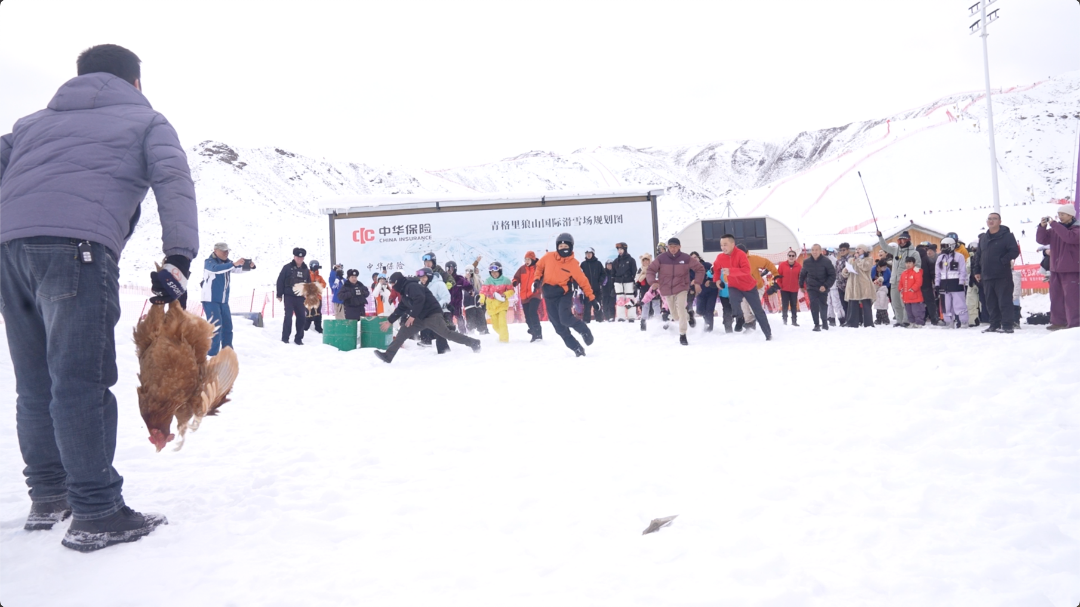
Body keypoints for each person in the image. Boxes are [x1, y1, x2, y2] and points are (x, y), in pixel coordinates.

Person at [0, 44, 196, 550]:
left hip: (8, 252)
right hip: (77, 251)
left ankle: (49, 497)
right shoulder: (147, 121)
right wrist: (178, 258)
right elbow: (173, 181)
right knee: (78, 381)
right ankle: (97, 511)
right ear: (135, 82)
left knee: (35, 383)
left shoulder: (29, 125)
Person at [374, 272, 481, 363]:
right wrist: (389, 321)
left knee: (447, 334)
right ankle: (388, 356)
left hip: (432, 315)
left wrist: (412, 316)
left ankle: (473, 343)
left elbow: (420, 299)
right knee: (403, 331)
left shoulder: (412, 286)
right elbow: (401, 308)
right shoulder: (404, 291)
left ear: (398, 282)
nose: (393, 286)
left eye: (393, 284)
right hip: (420, 317)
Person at [533, 233, 596, 356]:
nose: (563, 248)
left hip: (563, 295)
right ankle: (577, 348)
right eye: (560, 246)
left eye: (566, 246)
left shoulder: (573, 264)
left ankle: (584, 330)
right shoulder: (548, 257)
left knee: (565, 319)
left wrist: (592, 298)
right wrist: (536, 280)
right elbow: (539, 267)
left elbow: (583, 281)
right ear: (557, 247)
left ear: (571, 247)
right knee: (559, 327)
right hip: (548, 295)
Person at [645, 237, 704, 345]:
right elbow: (650, 270)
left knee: (681, 309)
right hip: (667, 289)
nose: (673, 249)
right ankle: (688, 316)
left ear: (680, 247)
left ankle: (683, 335)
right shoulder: (661, 258)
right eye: (671, 247)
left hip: (682, 287)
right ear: (668, 247)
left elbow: (700, 269)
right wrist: (652, 281)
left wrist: (697, 282)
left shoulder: (685, 258)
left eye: (675, 247)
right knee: (675, 316)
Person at [200, 242, 255, 356]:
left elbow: (236, 269)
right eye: (223, 251)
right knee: (215, 327)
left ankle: (227, 351)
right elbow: (216, 269)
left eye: (227, 251)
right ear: (215, 251)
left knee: (227, 327)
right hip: (211, 300)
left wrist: (249, 267)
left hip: (223, 301)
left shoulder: (227, 263)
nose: (226, 253)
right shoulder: (209, 262)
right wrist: (233, 264)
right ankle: (212, 354)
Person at [713, 235, 772, 340]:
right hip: (734, 286)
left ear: (732, 244)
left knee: (757, 311)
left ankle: (768, 333)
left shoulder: (741, 255)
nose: (723, 247)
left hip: (749, 286)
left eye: (725, 245)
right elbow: (716, 268)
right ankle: (739, 318)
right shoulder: (720, 257)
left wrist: (731, 271)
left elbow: (746, 270)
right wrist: (717, 280)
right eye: (721, 245)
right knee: (734, 302)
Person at [972, 213, 1020, 333]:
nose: (991, 221)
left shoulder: (1007, 236)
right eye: (989, 219)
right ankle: (994, 324)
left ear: (1000, 221)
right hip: (987, 275)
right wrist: (977, 270)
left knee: (1004, 301)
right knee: (990, 302)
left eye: (994, 219)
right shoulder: (983, 238)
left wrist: (1002, 261)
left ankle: (1007, 325)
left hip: (1002, 274)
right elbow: (978, 255)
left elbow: (1014, 251)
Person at [1036, 205, 1079, 329]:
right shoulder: (1055, 229)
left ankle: (1075, 324)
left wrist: (1054, 224)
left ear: (1071, 215)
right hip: (1055, 268)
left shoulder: (1077, 229)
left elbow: (1069, 237)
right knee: (1056, 297)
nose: (1060, 217)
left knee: (1072, 298)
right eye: (1059, 214)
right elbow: (1041, 240)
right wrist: (1042, 227)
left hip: (1072, 269)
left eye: (1063, 214)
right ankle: (1058, 322)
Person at [738, 244, 779, 332]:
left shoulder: (753, 259)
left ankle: (764, 323)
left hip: (756, 287)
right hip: (743, 289)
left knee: (753, 307)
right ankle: (750, 324)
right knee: (744, 306)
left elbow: (767, 263)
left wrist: (775, 274)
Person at [276, 247, 311, 344]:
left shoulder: (305, 270)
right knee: (288, 317)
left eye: (301, 257)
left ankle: (298, 339)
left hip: (300, 297)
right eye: (297, 257)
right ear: (294, 257)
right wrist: (279, 294)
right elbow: (280, 280)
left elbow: (309, 283)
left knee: (301, 318)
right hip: (289, 296)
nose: (299, 259)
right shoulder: (287, 267)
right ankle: (285, 338)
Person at [798, 244, 837, 332]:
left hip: (823, 286)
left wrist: (826, 286)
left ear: (820, 251)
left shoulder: (826, 261)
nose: (814, 252)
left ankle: (824, 323)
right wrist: (801, 285)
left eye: (816, 250)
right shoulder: (807, 262)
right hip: (811, 287)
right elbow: (802, 274)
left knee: (823, 304)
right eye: (813, 250)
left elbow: (832, 275)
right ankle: (816, 324)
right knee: (813, 304)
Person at [935, 237, 969, 328]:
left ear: (952, 246)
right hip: (944, 284)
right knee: (946, 305)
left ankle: (963, 321)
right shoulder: (940, 258)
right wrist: (937, 284)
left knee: (959, 304)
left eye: (945, 246)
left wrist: (961, 282)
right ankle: (948, 322)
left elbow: (962, 271)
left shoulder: (959, 256)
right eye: (942, 246)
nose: (943, 248)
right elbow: (937, 273)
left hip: (956, 284)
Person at [841, 244, 875, 328]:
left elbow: (865, 267)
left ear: (864, 250)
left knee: (866, 303)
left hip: (864, 284)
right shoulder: (851, 260)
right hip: (853, 284)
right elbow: (845, 274)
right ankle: (851, 322)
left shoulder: (869, 259)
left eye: (859, 248)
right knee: (852, 303)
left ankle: (868, 323)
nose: (857, 250)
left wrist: (858, 259)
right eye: (856, 249)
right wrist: (845, 271)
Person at [512, 252, 543, 341]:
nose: (527, 261)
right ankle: (533, 331)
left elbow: (543, 278)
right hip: (524, 296)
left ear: (533, 259)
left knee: (532, 312)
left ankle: (538, 334)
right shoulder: (522, 269)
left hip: (535, 294)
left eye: (528, 259)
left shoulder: (538, 268)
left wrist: (539, 284)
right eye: (525, 259)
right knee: (527, 316)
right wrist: (515, 282)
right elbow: (516, 277)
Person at [481, 261, 514, 342]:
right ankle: (503, 335)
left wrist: (505, 294)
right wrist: (481, 300)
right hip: (491, 306)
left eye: (496, 272)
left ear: (500, 271)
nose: (494, 274)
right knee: (495, 326)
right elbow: (483, 292)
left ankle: (504, 340)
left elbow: (512, 291)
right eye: (492, 272)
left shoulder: (506, 280)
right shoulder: (488, 281)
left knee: (502, 322)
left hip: (502, 305)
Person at [611, 242, 638, 321]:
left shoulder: (631, 260)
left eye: (621, 249)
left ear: (625, 250)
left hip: (629, 281)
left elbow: (635, 273)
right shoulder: (616, 261)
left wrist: (635, 285)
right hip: (618, 282)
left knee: (630, 298)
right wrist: (613, 286)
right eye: (618, 249)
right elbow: (612, 274)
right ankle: (621, 316)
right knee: (620, 299)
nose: (619, 251)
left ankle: (631, 316)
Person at [775, 250, 802, 326]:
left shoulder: (799, 266)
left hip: (794, 289)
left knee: (794, 305)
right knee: (785, 305)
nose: (791, 257)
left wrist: (800, 286)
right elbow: (778, 276)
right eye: (789, 255)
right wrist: (780, 285)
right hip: (784, 289)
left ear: (795, 257)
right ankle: (784, 320)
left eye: (793, 256)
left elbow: (801, 277)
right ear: (787, 256)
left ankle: (794, 321)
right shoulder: (782, 265)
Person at [579, 247, 605, 323]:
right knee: (587, 305)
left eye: (590, 253)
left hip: (597, 289)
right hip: (587, 289)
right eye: (587, 254)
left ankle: (600, 319)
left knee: (598, 304)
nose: (588, 255)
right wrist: (581, 287)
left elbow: (603, 274)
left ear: (593, 254)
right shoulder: (583, 264)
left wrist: (600, 282)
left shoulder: (598, 263)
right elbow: (579, 276)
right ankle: (586, 320)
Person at [898, 256, 926, 327]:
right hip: (906, 297)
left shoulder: (917, 271)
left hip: (915, 297)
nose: (908, 264)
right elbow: (900, 283)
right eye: (907, 263)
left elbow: (919, 282)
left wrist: (912, 289)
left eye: (910, 263)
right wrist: (901, 289)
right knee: (909, 311)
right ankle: (912, 323)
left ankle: (919, 323)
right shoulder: (904, 273)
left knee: (917, 311)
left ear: (914, 263)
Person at [445, 261, 472, 332]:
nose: (449, 270)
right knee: (448, 317)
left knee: (459, 316)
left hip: (457, 302)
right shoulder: (444, 279)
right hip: (448, 303)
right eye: (447, 269)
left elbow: (467, 285)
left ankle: (463, 331)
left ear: (455, 269)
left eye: (451, 268)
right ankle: (451, 331)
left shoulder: (459, 279)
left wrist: (470, 290)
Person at [462, 265, 489, 335]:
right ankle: (471, 333)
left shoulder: (478, 280)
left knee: (481, 318)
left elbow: (482, 290)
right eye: (467, 271)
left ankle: (483, 331)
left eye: (470, 271)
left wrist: (483, 300)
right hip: (468, 303)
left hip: (478, 303)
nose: (468, 273)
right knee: (471, 321)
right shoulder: (463, 281)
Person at [305, 260, 328, 334]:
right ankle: (306, 327)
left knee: (318, 313)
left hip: (318, 298)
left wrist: (317, 286)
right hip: (309, 298)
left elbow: (324, 284)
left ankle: (318, 327)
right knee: (309, 312)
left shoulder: (319, 277)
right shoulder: (307, 275)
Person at [825, 247, 846, 326]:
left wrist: (830, 256)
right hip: (826, 285)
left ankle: (842, 319)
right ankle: (831, 319)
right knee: (828, 303)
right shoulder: (824, 261)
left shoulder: (835, 261)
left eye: (831, 253)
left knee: (836, 302)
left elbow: (834, 263)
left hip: (834, 285)